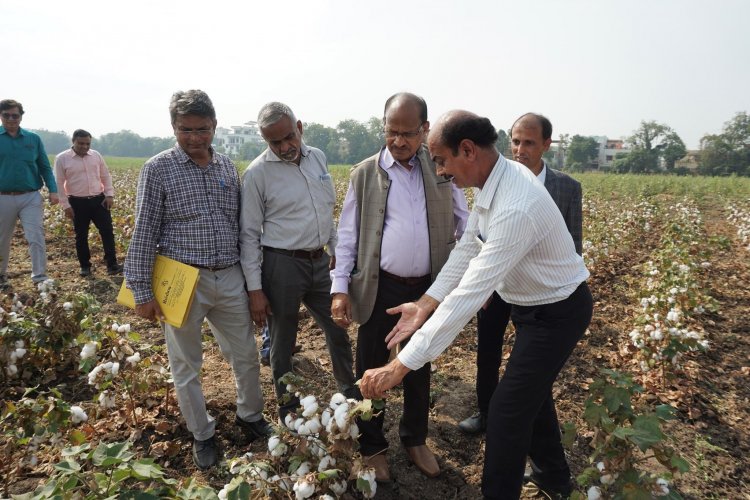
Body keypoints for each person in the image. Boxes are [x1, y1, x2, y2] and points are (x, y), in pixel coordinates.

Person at [359, 110, 593, 500]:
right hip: (533, 309)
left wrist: (400, 364)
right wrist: (426, 302)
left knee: (505, 413)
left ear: (467, 150)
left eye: (440, 159)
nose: (438, 170)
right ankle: (554, 478)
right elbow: (469, 247)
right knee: (531, 398)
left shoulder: (516, 206)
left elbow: (468, 296)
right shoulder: (494, 181)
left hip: (558, 313)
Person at [124, 90, 272, 470]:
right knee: (186, 364)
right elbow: (144, 231)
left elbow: (242, 227)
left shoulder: (226, 167)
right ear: (174, 127)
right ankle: (202, 434)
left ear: (214, 126)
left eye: (202, 129)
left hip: (229, 275)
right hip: (183, 278)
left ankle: (250, 415)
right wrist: (141, 290)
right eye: (185, 129)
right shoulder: (158, 169)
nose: (194, 137)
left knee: (245, 354)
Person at [330, 93, 469, 480]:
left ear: (425, 130)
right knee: (371, 365)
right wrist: (340, 288)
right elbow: (346, 238)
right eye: (392, 132)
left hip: (426, 289)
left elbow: (465, 222)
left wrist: (465, 278)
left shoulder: (442, 169)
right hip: (380, 287)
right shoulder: (365, 173)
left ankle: (415, 438)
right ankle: (372, 445)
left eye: (408, 133)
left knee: (420, 362)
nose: (399, 141)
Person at [458, 113, 582, 435]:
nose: (519, 149)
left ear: (546, 145)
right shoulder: (492, 181)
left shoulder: (567, 188)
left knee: (529, 366)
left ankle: (527, 421)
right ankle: (486, 412)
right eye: (515, 141)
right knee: (487, 349)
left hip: (539, 292)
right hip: (497, 284)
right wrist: (483, 285)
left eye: (528, 142)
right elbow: (480, 238)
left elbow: (572, 244)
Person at [239, 102, 356, 418]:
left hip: (320, 262)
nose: (284, 147)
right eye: (274, 142)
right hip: (282, 265)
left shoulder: (317, 157)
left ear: (300, 127)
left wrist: (336, 250)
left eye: (289, 137)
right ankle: (288, 407)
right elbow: (249, 235)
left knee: (338, 328)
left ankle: (349, 394)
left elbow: (325, 211)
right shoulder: (257, 174)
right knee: (282, 341)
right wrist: (255, 290)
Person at [0, 99, 59, 289]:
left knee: (36, 236)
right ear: (1, 116)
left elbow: (44, 166)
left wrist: (53, 190)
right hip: (3, 196)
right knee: (2, 238)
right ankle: (1, 275)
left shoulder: (33, 139)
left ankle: (39, 275)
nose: (11, 119)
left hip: (30, 196)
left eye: (15, 115)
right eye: (6, 115)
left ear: (21, 116)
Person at [54, 129, 123, 277]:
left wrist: (109, 195)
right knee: (81, 235)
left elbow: (105, 175)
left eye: (87, 143)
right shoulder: (62, 159)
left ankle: (112, 264)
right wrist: (66, 205)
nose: (85, 147)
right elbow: (59, 184)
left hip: (99, 200)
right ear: (73, 141)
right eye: (81, 143)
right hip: (77, 203)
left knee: (107, 232)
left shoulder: (96, 155)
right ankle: (85, 266)